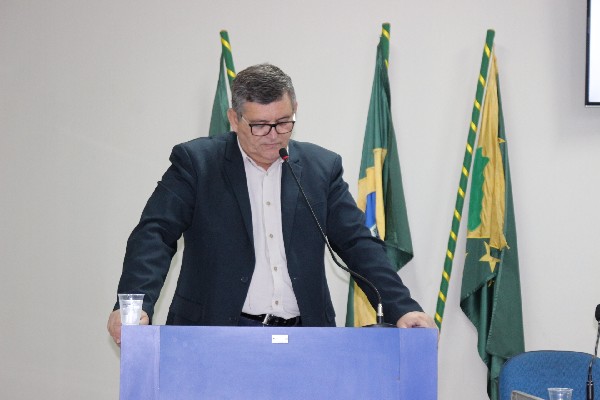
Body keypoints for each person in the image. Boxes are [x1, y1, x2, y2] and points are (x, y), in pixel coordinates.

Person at [107, 63, 435, 345]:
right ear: (234, 119)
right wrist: (134, 306)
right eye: (260, 125)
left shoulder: (321, 168)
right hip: (216, 334)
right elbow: (155, 234)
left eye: (284, 122)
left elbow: (357, 243)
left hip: (304, 337)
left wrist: (402, 308)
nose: (274, 135)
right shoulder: (197, 163)